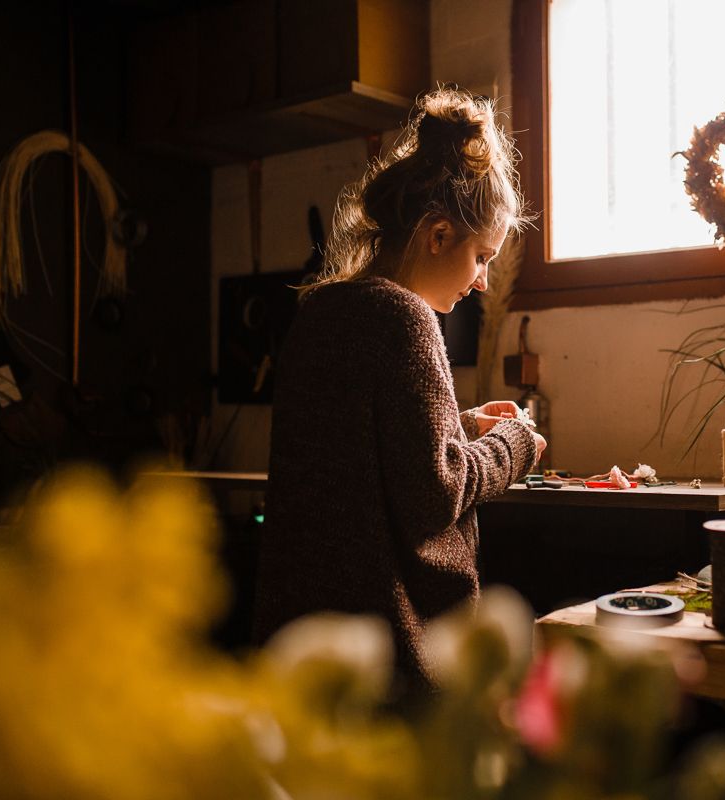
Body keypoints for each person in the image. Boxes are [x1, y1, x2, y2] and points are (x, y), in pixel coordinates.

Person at [252, 87, 547, 695]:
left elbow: (366, 445)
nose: (483, 281)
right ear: (438, 236)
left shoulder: (322, 310)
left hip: (305, 639)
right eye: (482, 256)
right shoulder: (406, 318)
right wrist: (515, 443)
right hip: (389, 652)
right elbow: (433, 494)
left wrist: (459, 427)